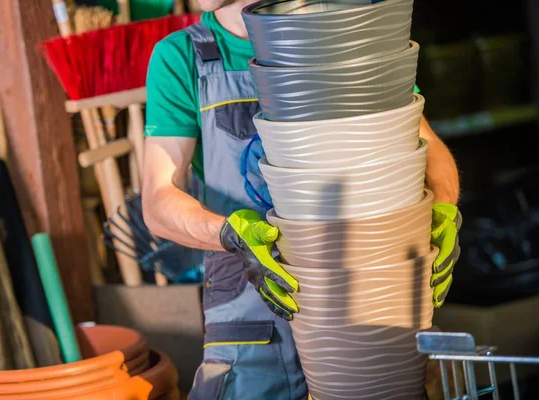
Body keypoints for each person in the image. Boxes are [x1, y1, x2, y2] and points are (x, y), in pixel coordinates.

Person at [141, 0, 462, 398]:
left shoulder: (344, 31)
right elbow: (157, 201)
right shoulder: (182, 57)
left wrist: (444, 206)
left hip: (368, 298)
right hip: (251, 314)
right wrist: (229, 234)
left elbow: (425, 144)